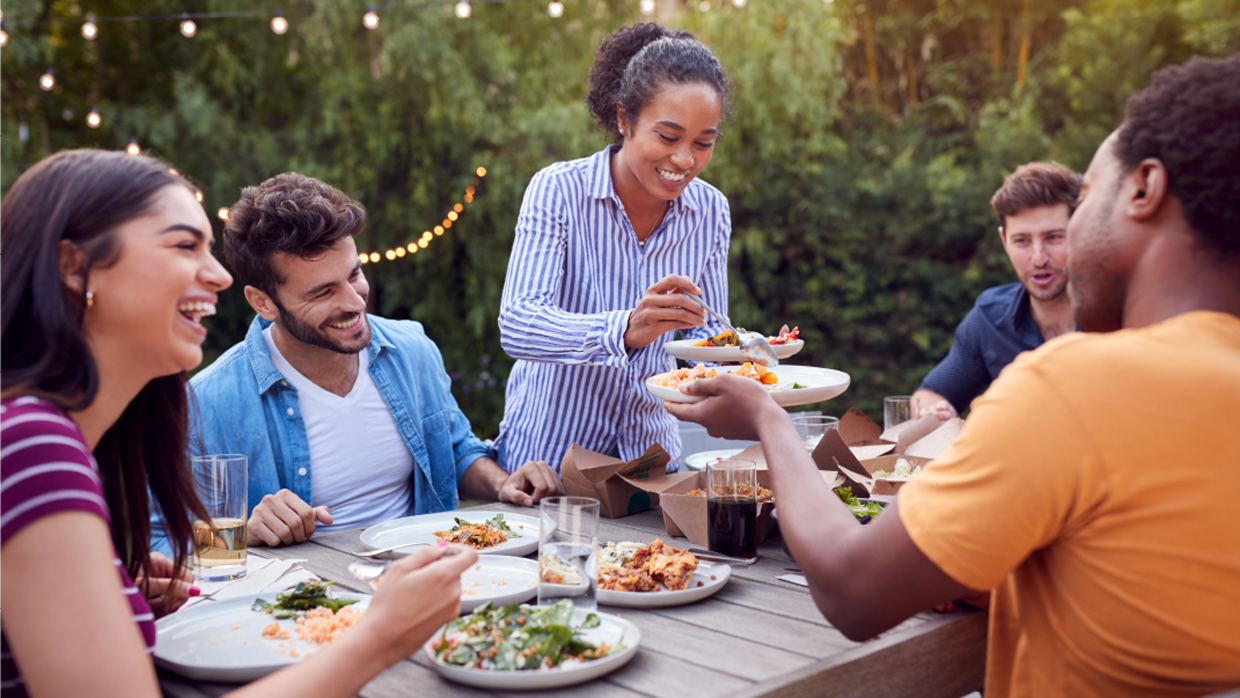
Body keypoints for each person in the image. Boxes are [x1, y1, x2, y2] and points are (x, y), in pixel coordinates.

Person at [665, 52, 1240, 698]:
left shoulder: (1077, 386)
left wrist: (768, 418)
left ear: (1144, 189)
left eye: (1084, 201)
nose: (1060, 245)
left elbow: (853, 590)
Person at [0, 149, 478, 698]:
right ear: (73, 267)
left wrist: (117, 591)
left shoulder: (51, 438)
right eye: (184, 245)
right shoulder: (31, 447)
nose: (219, 276)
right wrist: (379, 635)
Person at [153, 173, 563, 554]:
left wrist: (502, 482)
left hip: (426, 577)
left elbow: (454, 450)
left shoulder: (412, 348)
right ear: (263, 303)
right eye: (323, 292)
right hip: (308, 608)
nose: (353, 302)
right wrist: (244, 533)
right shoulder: (207, 404)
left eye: (354, 275)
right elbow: (161, 543)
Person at [496, 23, 734, 472]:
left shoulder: (711, 211)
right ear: (624, 119)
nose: (685, 160)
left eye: (704, 143)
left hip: (651, 461)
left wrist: (738, 360)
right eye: (668, 137)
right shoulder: (558, 191)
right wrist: (625, 329)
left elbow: (707, 334)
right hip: (547, 465)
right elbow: (519, 324)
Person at [913, 162, 1081, 420]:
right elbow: (928, 395)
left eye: (1054, 237)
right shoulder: (990, 318)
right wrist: (935, 412)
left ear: (1081, 233)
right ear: (1005, 241)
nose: (1039, 258)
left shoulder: (1122, 318)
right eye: (1022, 241)